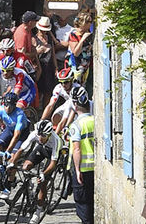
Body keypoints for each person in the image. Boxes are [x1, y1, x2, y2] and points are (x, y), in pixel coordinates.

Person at [7, 120, 60, 213]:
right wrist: (12, 163)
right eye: (39, 135)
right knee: (25, 167)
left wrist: (43, 174)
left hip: (52, 153)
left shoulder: (56, 140)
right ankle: (29, 191)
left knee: (43, 182)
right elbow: (21, 149)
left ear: (49, 134)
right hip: (42, 148)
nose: (40, 137)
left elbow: (53, 163)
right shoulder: (35, 134)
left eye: (43, 136)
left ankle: (39, 210)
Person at [67, 89, 94, 224]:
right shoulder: (96, 120)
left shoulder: (76, 125)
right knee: (92, 200)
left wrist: (77, 170)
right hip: (95, 167)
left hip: (83, 169)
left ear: (76, 106)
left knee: (83, 203)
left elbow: (76, 149)